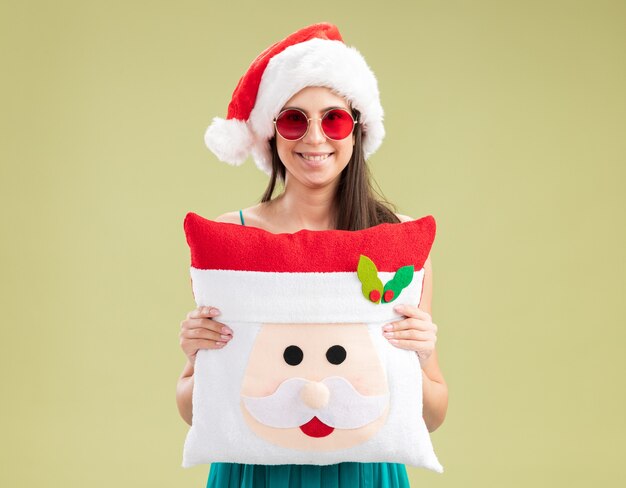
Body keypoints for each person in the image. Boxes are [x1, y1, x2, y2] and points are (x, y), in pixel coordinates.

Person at [176, 23, 448, 487]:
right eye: (294, 119)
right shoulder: (229, 237)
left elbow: (433, 413)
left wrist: (423, 354)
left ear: (357, 129)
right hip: (254, 472)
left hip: (363, 472)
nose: (315, 138)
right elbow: (191, 406)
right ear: (272, 133)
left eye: (334, 119)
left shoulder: (396, 240)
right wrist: (194, 352)